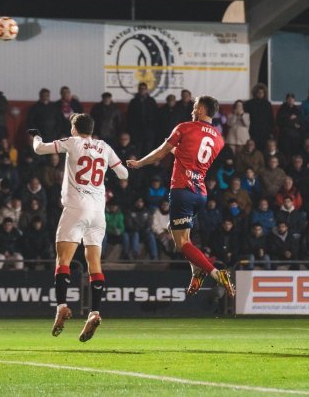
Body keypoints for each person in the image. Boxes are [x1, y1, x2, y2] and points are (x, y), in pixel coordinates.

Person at [29, 113, 128, 342]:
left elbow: (39, 149)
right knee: (94, 264)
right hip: (97, 212)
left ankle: (62, 306)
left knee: (63, 261)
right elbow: (123, 173)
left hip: (75, 208)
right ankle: (94, 312)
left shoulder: (72, 142)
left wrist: (36, 137)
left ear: (74, 128)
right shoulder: (104, 146)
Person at [127, 95, 235, 298]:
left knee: (181, 243)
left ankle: (216, 273)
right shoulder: (219, 139)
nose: (192, 110)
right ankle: (196, 272)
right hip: (200, 194)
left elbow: (161, 153)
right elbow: (190, 153)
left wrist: (140, 163)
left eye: (195, 107)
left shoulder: (184, 127)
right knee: (175, 230)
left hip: (182, 191)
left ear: (202, 110)